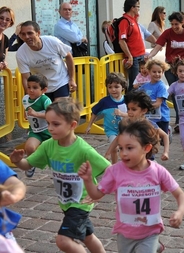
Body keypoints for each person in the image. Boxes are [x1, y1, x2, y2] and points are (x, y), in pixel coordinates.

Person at [9, 98, 110, 253]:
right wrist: (18, 161)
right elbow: (28, 164)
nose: (50, 128)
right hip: (66, 202)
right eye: (48, 123)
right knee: (87, 236)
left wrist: (98, 193)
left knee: (63, 241)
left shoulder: (84, 150)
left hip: (80, 203)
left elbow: (109, 171)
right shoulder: (48, 145)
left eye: (55, 124)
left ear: (72, 125)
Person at [78, 119, 184, 253]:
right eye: (120, 148)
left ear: (146, 148)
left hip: (150, 232)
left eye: (129, 148)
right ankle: (156, 246)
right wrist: (88, 180)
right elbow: (96, 195)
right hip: (125, 233)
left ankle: (153, 245)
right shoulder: (114, 171)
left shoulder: (158, 171)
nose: (123, 153)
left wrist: (179, 212)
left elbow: (180, 194)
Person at [146, 11, 184, 133]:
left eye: (177, 24)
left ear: (182, 23)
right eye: (172, 24)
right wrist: (149, 56)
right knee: (176, 93)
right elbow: (158, 46)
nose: (174, 27)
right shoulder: (168, 33)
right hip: (171, 67)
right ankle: (179, 120)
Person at [16, 21, 76, 101]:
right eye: (23, 34)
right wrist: (29, 95)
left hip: (61, 82)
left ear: (38, 33)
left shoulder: (52, 42)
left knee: (60, 110)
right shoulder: (21, 53)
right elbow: (26, 78)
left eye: (30, 33)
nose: (27, 37)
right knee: (46, 112)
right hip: (41, 86)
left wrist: (71, 79)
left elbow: (68, 56)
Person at [104, 90, 170, 162]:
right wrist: (108, 153)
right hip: (131, 160)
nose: (129, 112)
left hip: (147, 161)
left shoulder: (149, 125)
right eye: (128, 109)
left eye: (134, 109)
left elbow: (165, 136)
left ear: (144, 110)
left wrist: (166, 152)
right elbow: (117, 138)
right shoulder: (127, 124)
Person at [85, 72, 128, 163]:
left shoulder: (127, 100)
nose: (113, 90)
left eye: (116, 87)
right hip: (111, 130)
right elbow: (95, 112)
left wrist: (122, 114)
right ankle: (115, 166)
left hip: (126, 130)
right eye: (110, 87)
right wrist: (89, 125)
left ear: (123, 87)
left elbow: (134, 114)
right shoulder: (104, 102)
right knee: (115, 147)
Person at [22, 74, 52, 178]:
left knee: (55, 154)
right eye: (29, 87)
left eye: (35, 88)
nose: (31, 90)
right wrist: (26, 115)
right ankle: (31, 165)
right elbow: (26, 109)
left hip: (49, 131)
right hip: (35, 131)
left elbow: (51, 115)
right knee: (29, 147)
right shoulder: (25, 99)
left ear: (44, 90)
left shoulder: (45, 100)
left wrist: (36, 114)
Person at [117, 0, 146, 92]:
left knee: (141, 83)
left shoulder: (134, 19)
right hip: (134, 58)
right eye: (137, 7)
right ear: (132, 8)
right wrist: (129, 56)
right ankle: (130, 105)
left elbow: (138, 0)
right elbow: (121, 41)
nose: (139, 9)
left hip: (140, 56)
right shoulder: (125, 21)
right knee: (134, 85)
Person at [139, 59, 171, 137]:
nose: (157, 74)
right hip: (150, 117)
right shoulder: (144, 86)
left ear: (163, 72)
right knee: (151, 138)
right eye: (154, 72)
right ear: (149, 72)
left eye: (159, 72)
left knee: (162, 138)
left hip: (161, 117)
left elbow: (157, 103)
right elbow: (137, 96)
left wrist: (145, 108)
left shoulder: (161, 86)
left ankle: (168, 131)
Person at [0, 6, 15, 71]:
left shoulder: (5, 39)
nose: (4, 21)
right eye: (1, 18)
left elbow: (3, 60)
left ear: (10, 23)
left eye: (7, 20)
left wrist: (4, 64)